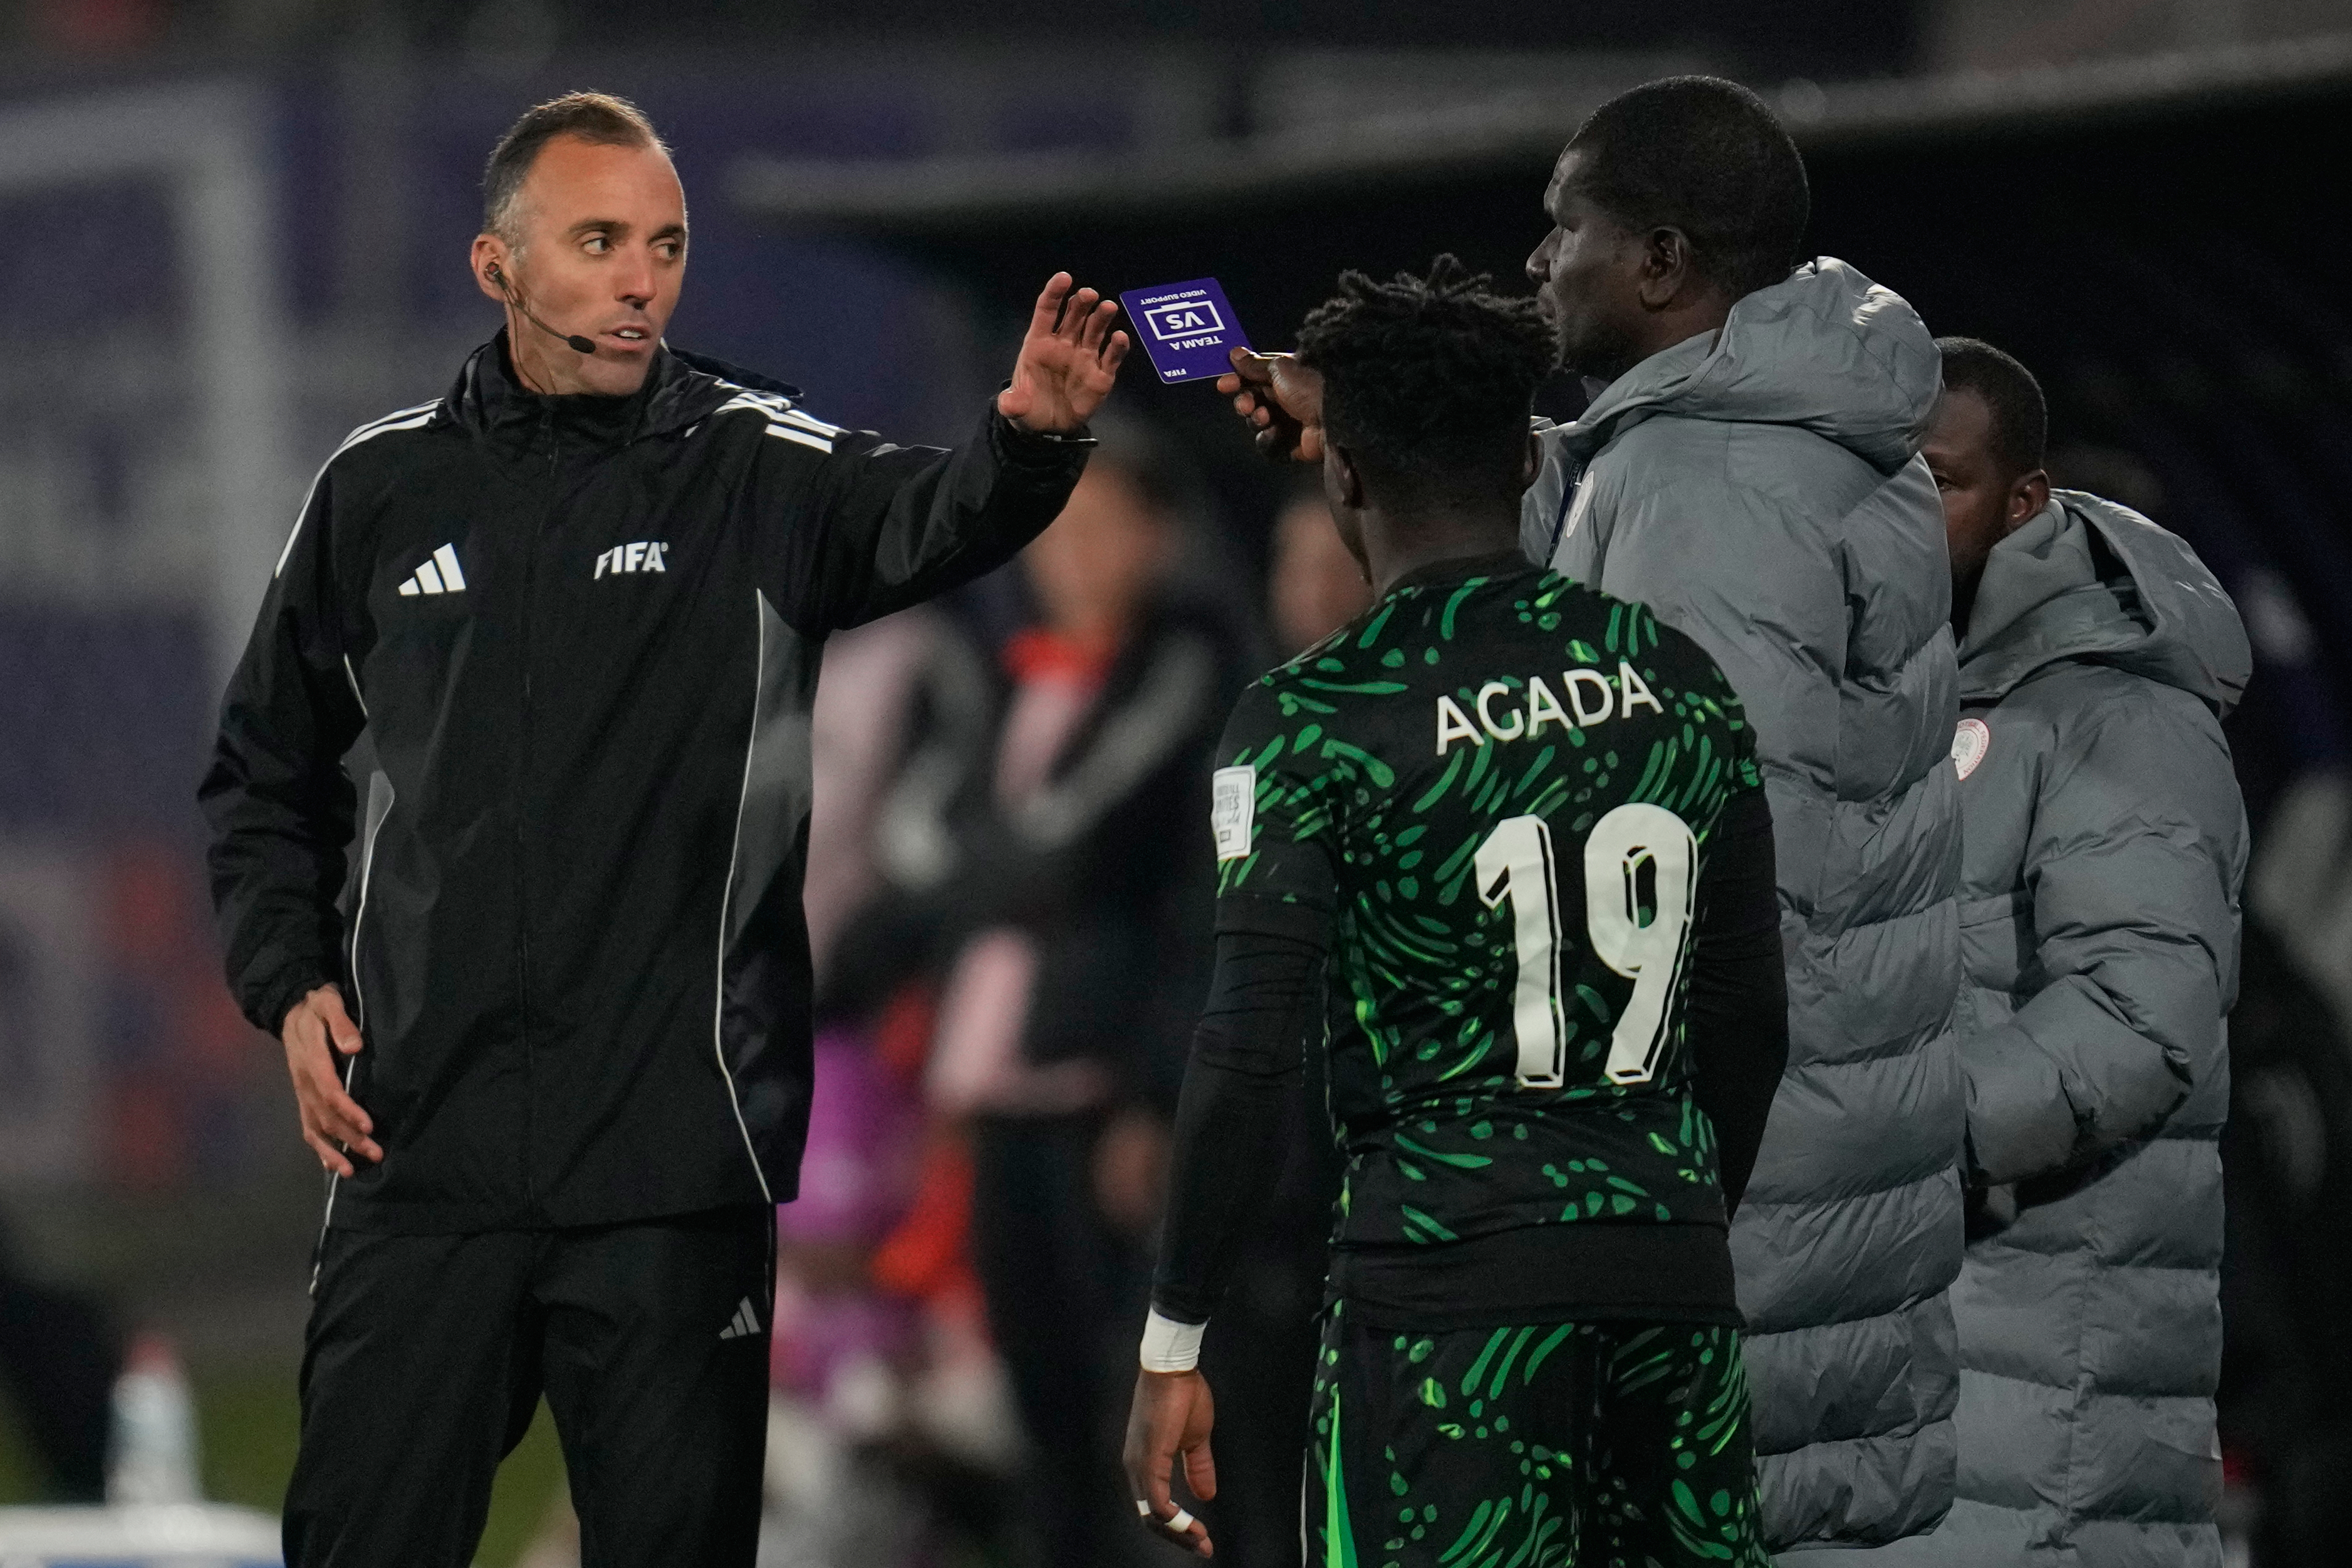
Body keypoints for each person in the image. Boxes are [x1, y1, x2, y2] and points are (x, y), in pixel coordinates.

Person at [198, 90, 1125, 1568]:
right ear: (498, 266)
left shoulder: (753, 466)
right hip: (417, 1150)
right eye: (599, 241)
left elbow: (930, 515)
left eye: (667, 244)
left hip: (670, 1165)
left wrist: (1024, 442)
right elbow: (262, 773)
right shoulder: (378, 490)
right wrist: (290, 981)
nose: (642, 277)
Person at [1220, 77, 1964, 1552]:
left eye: (1563, 226)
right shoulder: (1740, 444)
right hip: (1797, 1166)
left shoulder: (1714, 497)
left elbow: (1691, 864)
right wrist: (1386, 427)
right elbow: (1616, 518)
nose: (1535, 260)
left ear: (1661, 263)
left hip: (1719, 1195)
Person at [1124, 256, 1790, 1566]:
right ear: (1528, 466)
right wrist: (1657, 1224)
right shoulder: (1673, 675)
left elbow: (1250, 1048)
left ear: (1343, 478)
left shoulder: (1315, 716)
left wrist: (1173, 1334)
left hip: (1444, 1304)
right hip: (1668, 1281)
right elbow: (1747, 1017)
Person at [1882, 338, 2245, 1566]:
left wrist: (1878, 1130)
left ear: (2021, 501)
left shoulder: (2116, 708)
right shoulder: (1888, 701)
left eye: (1934, 480)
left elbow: (2138, 1023)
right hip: (1924, 1369)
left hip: (2054, 1385)